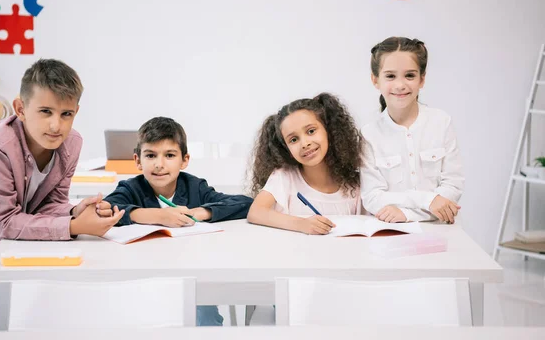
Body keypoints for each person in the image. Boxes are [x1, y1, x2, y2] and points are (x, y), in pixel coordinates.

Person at [0, 59, 122, 332]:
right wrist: (74, 226)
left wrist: (75, 212)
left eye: (66, 114)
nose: (56, 125)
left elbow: (51, 203)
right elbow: (5, 222)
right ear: (20, 109)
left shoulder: (71, 143)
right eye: (45, 111)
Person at [101, 116, 253, 326]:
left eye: (169, 155)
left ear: (184, 160)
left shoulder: (194, 187)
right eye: (151, 155)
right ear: (137, 161)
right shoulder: (131, 188)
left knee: (204, 315)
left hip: (193, 273)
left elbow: (244, 203)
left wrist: (199, 212)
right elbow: (108, 209)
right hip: (144, 275)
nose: (159, 164)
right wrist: (158, 216)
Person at [360, 36, 464, 223]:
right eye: (390, 76)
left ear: (422, 79)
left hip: (440, 231)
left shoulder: (441, 122)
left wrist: (407, 214)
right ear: (375, 80)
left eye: (410, 75)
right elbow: (373, 197)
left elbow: (453, 186)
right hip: (391, 233)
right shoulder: (369, 134)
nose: (400, 85)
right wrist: (429, 200)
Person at [247, 93, 363, 235]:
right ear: (286, 149)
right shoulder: (285, 177)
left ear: (329, 131)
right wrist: (303, 224)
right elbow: (256, 212)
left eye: (311, 131)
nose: (305, 143)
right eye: (294, 140)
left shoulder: (354, 184)